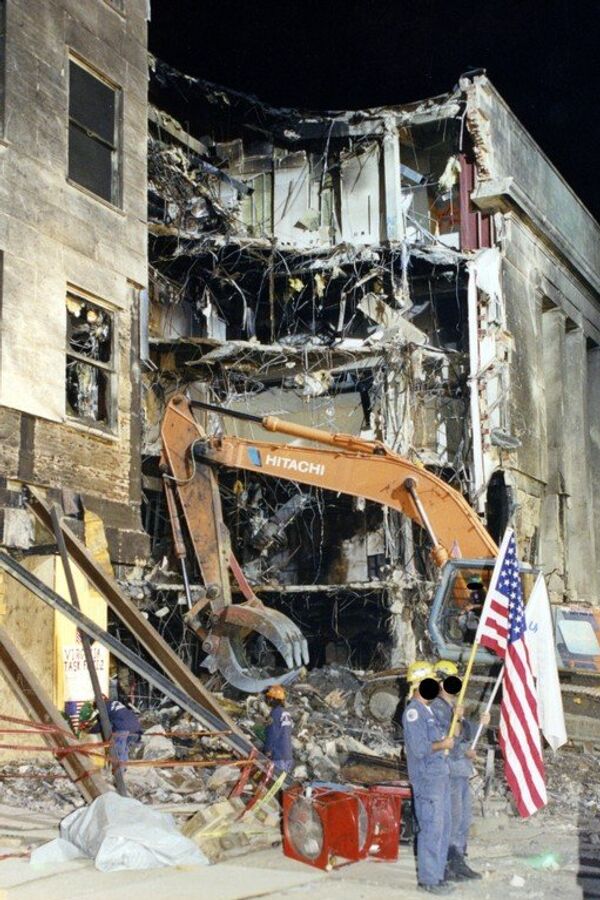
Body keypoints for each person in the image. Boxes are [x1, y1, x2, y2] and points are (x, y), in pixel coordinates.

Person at [431, 660, 490, 881]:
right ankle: (446, 865)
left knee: (463, 820)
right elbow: (445, 740)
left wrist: (479, 724)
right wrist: (465, 750)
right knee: (452, 820)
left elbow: (466, 735)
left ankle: (458, 861)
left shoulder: (454, 708)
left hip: (460, 771)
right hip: (448, 771)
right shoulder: (436, 708)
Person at [402, 661, 455, 895]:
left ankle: (438, 874)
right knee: (431, 828)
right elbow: (419, 748)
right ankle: (428, 880)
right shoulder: (413, 712)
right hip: (427, 779)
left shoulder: (429, 710)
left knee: (443, 828)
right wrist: (442, 744)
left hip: (439, 776)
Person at [83, 695, 142, 769]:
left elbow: (102, 724)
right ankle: (122, 771)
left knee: (118, 752)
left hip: (123, 729)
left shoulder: (103, 708)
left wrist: (89, 731)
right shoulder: (115, 704)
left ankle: (119, 774)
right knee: (124, 750)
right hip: (136, 729)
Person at [263, 684, 294, 774]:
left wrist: (267, 750)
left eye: (268, 697)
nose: (267, 699)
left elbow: (273, 733)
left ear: (272, 699)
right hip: (288, 757)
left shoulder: (275, 713)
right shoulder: (286, 713)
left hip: (278, 758)